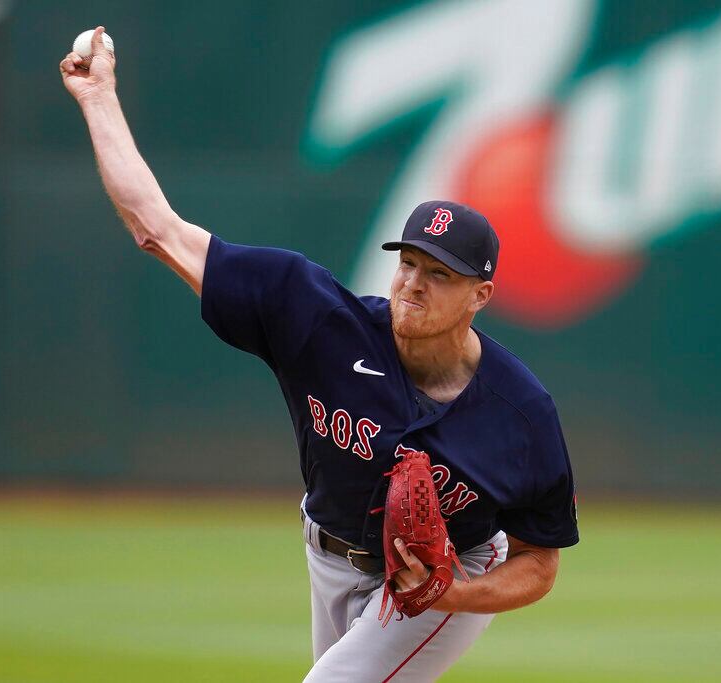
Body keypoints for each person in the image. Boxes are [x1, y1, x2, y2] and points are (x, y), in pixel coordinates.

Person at [60, 28, 579, 682]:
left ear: (481, 295)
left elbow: (539, 562)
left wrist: (456, 593)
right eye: (409, 263)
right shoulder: (317, 318)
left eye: (439, 274)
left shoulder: (520, 412)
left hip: (445, 574)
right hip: (326, 554)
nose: (413, 283)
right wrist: (98, 97)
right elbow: (157, 229)